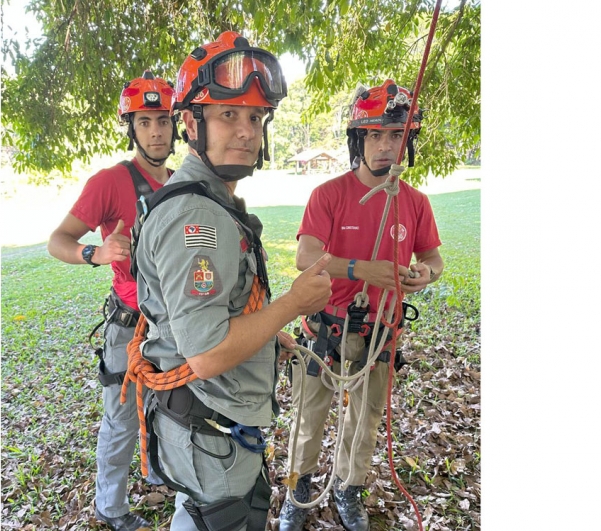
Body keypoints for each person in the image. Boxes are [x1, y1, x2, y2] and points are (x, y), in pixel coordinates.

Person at [131, 31, 332, 531]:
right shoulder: (197, 218)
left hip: (202, 427)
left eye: (256, 117)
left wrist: (269, 333)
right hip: (211, 431)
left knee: (198, 512)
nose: (246, 131)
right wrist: (292, 304)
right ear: (190, 123)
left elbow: (212, 314)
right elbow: (207, 353)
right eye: (228, 114)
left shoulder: (206, 200)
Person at [278, 79, 445, 531]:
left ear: (406, 141)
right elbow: (306, 256)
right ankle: (298, 490)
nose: (386, 146)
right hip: (326, 332)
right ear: (359, 139)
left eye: (395, 135)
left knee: (365, 421)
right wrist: (361, 270)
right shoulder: (328, 195)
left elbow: (433, 257)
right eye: (375, 135)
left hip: (380, 336)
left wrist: (426, 273)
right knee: (308, 420)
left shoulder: (414, 203)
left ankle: (350, 490)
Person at [46, 70, 178, 531]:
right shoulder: (109, 182)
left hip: (176, 325)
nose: (156, 131)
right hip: (130, 326)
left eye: (163, 119)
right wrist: (96, 253)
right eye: (145, 122)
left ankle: (159, 473)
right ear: (132, 127)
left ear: (176, 123)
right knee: (121, 419)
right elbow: (57, 240)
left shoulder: (184, 184)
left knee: (171, 410)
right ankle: (111, 507)